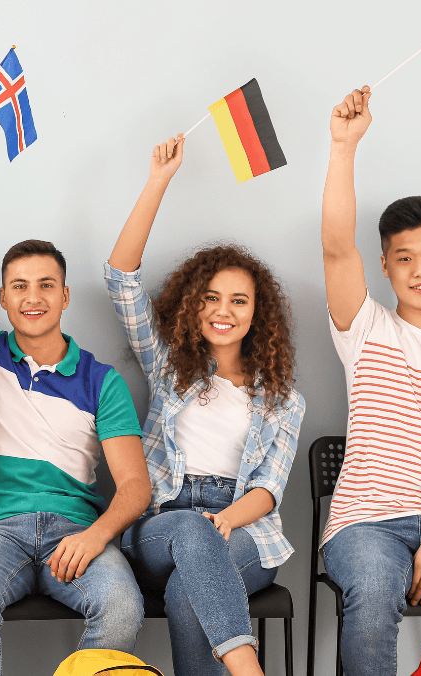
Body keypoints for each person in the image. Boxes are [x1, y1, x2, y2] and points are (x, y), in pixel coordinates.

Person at [0, 127, 151, 675]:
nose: (32, 297)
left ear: (65, 295)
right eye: (19, 286)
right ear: (3, 298)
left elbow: (135, 485)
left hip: (75, 531)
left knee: (121, 607)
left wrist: (95, 536)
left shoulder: (101, 380)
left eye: (46, 285)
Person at [104, 135, 304, 676]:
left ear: (256, 312)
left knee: (187, 590)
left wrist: (224, 521)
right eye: (211, 298)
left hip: (244, 526)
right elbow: (121, 279)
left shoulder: (283, 399)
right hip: (163, 522)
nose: (223, 311)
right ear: (193, 306)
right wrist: (157, 182)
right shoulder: (169, 365)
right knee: (191, 533)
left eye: (238, 300)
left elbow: (267, 490)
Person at [319, 87, 421, 676]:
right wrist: (343, 147)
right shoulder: (367, 328)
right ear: (385, 266)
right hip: (365, 522)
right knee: (376, 595)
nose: (420, 269)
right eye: (404, 257)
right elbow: (335, 248)